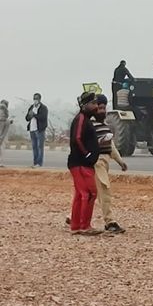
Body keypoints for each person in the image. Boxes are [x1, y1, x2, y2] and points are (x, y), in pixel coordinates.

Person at [92, 94, 128, 233]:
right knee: (104, 191)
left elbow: (111, 146)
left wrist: (120, 161)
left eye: (104, 108)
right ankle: (110, 222)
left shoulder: (105, 125)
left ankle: (72, 217)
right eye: (99, 108)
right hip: (97, 162)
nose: (102, 111)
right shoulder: (90, 126)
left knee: (93, 193)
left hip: (105, 162)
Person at [67, 92, 102, 236]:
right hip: (81, 163)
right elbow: (77, 138)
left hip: (83, 163)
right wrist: (87, 154)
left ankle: (76, 225)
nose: (96, 107)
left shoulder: (86, 119)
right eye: (93, 104)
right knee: (88, 193)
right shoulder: (81, 118)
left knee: (81, 194)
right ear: (85, 105)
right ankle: (84, 225)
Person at [25, 93, 48, 167]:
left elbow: (43, 117)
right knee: (34, 147)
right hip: (32, 129)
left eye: (36, 98)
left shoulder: (43, 108)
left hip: (39, 130)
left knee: (40, 147)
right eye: (34, 98)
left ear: (39, 99)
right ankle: (35, 162)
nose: (35, 100)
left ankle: (39, 163)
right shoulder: (31, 107)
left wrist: (34, 114)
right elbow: (27, 118)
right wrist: (29, 115)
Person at [0, 100, 10, 167]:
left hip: (2, 137)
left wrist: (1, 138)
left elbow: (4, 132)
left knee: (1, 148)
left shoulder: (7, 121)